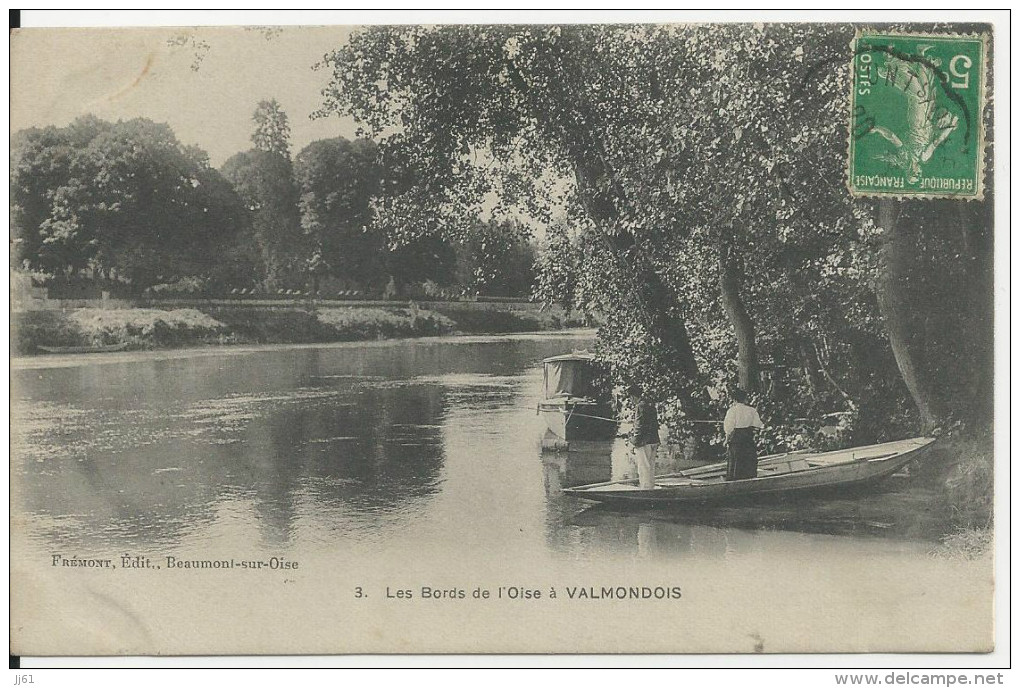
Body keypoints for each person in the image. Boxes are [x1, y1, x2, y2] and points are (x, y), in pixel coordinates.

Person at [723, 387, 764, 481]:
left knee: (736, 462)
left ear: (734, 400)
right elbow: (758, 425)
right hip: (747, 438)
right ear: (745, 399)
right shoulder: (752, 410)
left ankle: (735, 483)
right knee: (748, 461)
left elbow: (729, 428)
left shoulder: (732, 411)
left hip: (736, 439)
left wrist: (726, 440)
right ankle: (749, 482)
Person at [628, 384, 659, 490]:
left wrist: (633, 443)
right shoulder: (650, 404)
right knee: (651, 467)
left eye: (630, 398)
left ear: (632, 397)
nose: (631, 401)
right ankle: (650, 488)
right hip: (654, 440)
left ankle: (646, 490)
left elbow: (639, 427)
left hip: (644, 442)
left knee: (644, 468)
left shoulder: (640, 406)